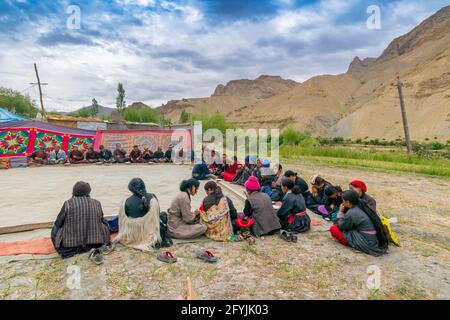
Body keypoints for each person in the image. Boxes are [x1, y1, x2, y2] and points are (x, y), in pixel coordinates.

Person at [51, 182, 111, 262]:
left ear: (74, 192)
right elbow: (101, 220)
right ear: (88, 192)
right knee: (105, 223)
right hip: (96, 243)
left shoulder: (68, 204)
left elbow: (58, 223)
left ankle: (64, 249)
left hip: (70, 247)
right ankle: (96, 248)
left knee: (55, 228)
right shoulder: (97, 203)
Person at [330, 190, 388, 256]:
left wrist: (340, 213)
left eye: (343, 200)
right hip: (372, 238)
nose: (342, 202)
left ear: (348, 202)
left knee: (333, 229)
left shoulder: (352, 212)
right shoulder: (360, 205)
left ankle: (353, 244)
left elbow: (341, 226)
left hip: (367, 242)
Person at [113, 178, 161, 248]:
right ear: (144, 186)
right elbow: (157, 216)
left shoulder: (125, 201)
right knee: (163, 215)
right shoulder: (152, 197)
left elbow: (122, 223)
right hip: (147, 235)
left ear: (131, 189)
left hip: (131, 236)